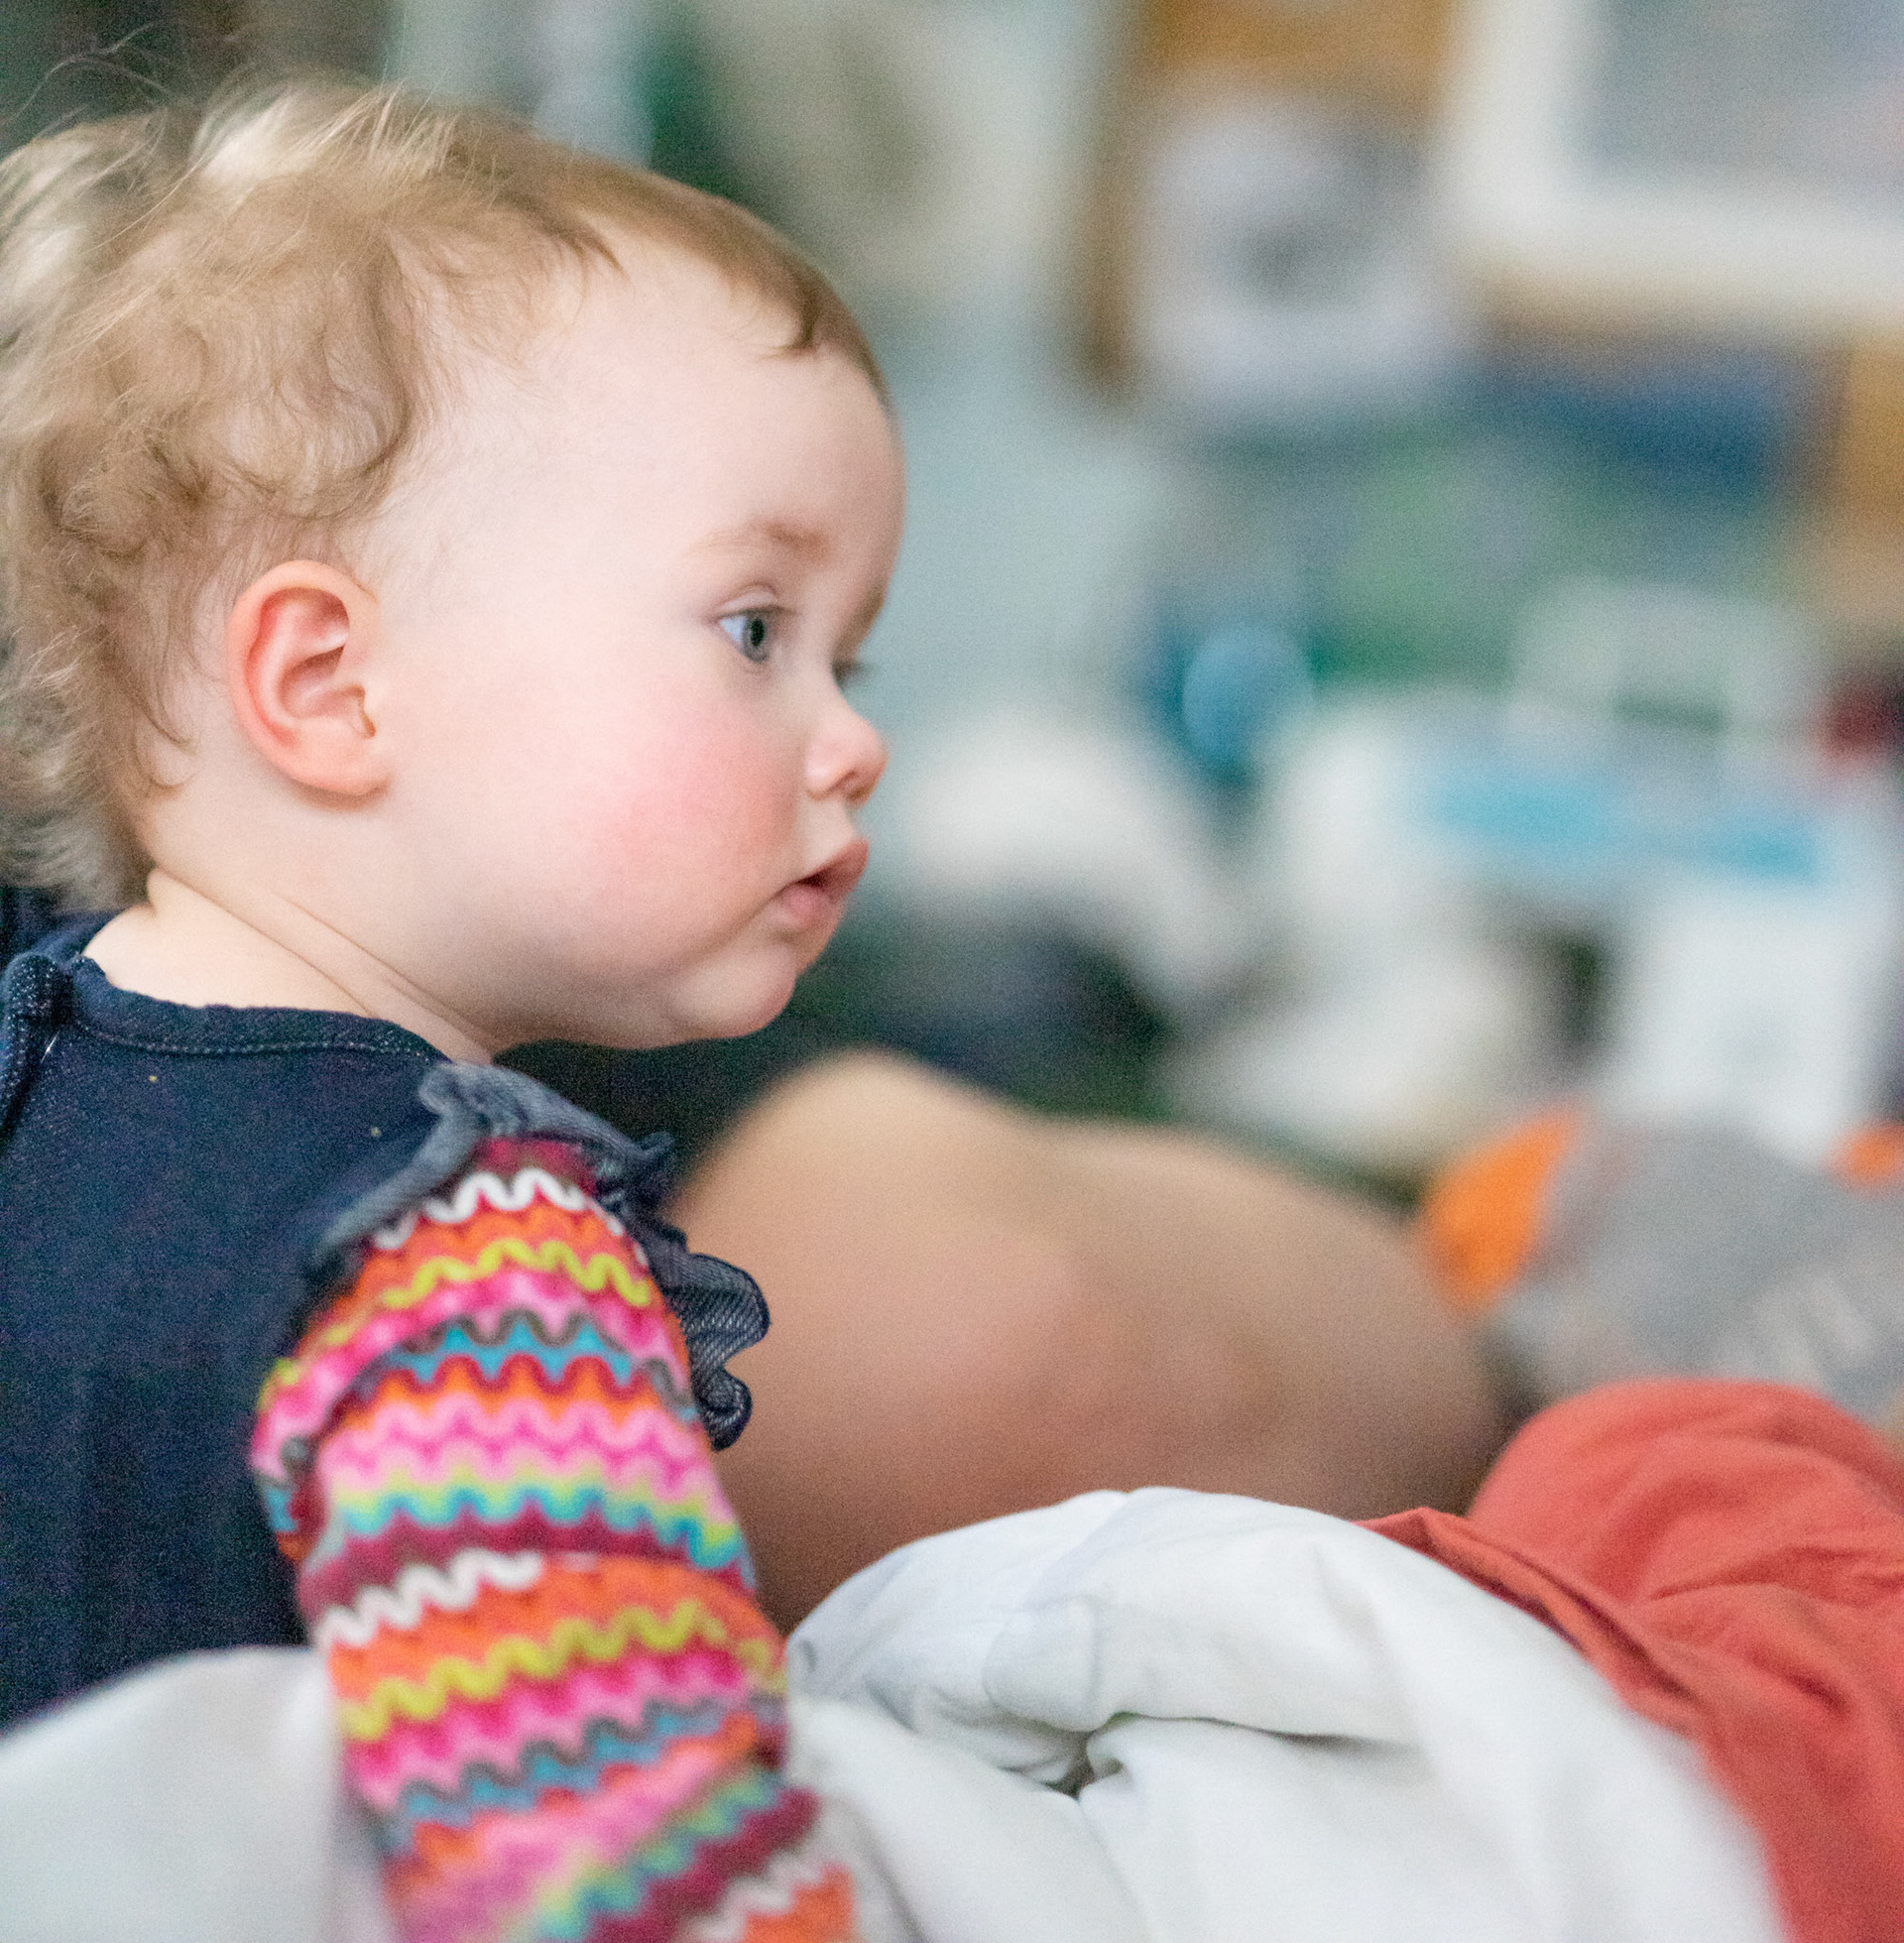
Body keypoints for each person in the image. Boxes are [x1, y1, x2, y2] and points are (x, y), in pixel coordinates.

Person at [0, 81, 899, 1942]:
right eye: (755, 629)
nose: (853, 741)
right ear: (329, 683)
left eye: (850, 656)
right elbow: (632, 1873)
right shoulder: (457, 1269)